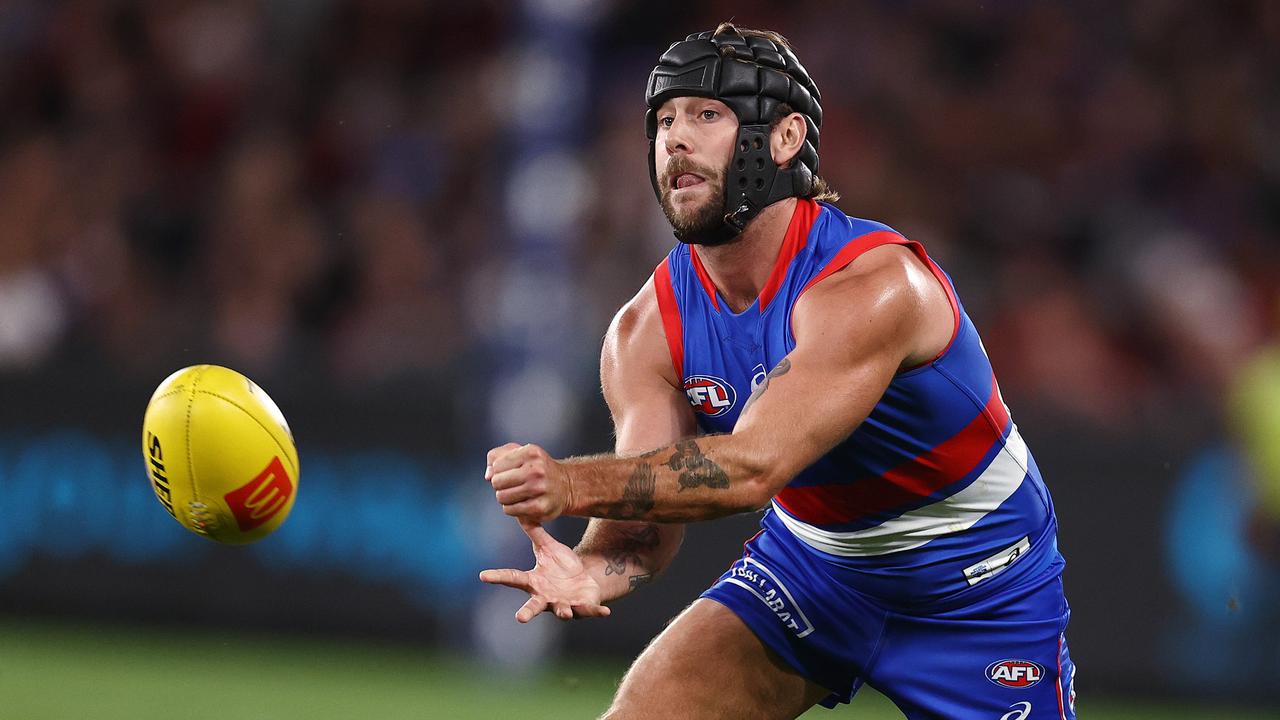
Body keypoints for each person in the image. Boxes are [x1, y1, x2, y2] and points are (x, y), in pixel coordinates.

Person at [481, 23, 1076, 720]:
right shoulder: (646, 330)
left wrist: (568, 483)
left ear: (786, 139)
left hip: (975, 593)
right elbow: (644, 518)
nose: (676, 138)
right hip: (813, 574)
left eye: (707, 114)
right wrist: (595, 565)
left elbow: (752, 468)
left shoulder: (873, 286)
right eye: (664, 119)